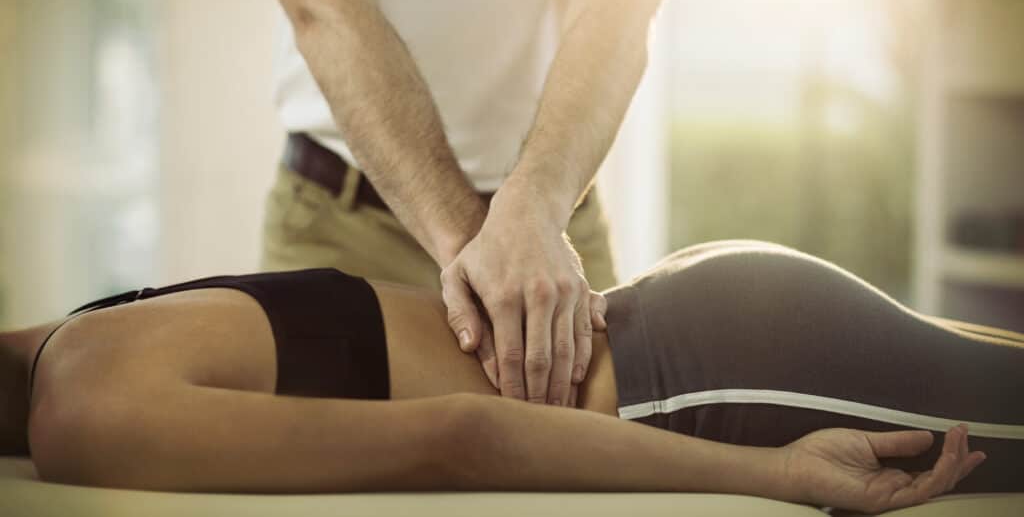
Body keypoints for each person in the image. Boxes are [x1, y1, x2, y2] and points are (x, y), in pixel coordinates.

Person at [212, 0, 705, 406]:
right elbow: (326, 8)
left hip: (552, 235)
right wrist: (489, 260)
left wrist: (534, 219)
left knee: (588, 481)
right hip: (341, 225)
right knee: (319, 478)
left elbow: (618, 9)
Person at [3, 241, 1021, 508]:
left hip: (703, 377)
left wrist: (784, 476)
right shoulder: (73, 335)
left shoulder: (88, 403)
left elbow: (457, 437)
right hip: (693, 312)